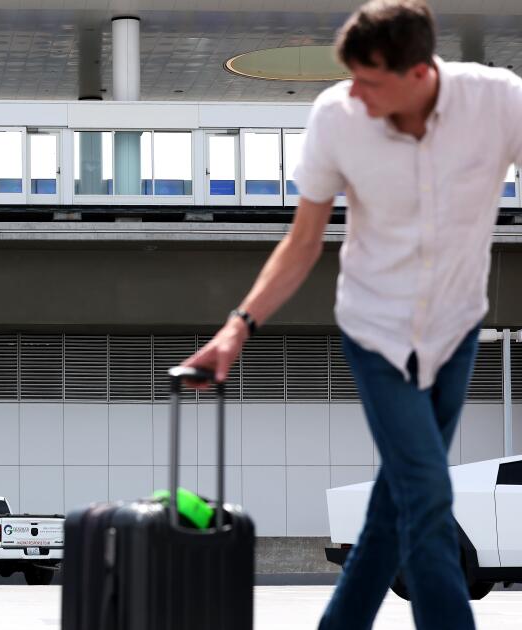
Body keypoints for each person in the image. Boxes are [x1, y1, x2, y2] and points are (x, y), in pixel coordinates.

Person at [183, 1, 522, 628]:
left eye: (369, 81)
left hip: (455, 332)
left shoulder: (498, 101)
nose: (355, 94)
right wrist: (237, 328)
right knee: (427, 497)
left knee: (397, 504)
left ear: (418, 72)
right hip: (376, 334)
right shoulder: (337, 117)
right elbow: (303, 241)